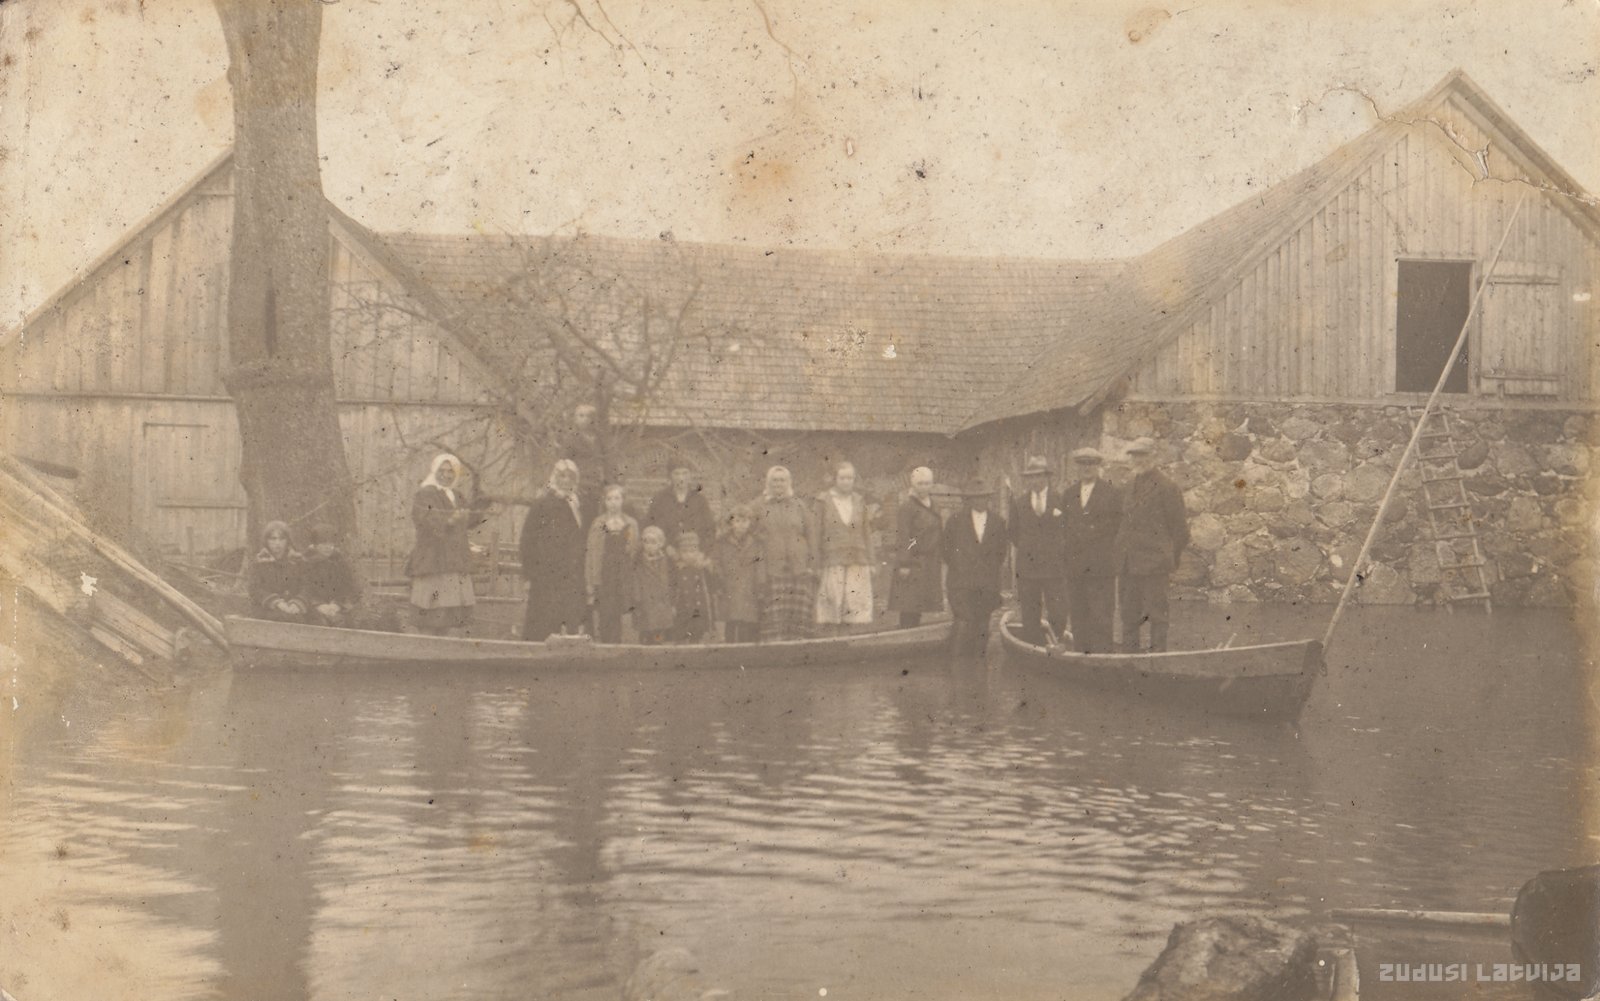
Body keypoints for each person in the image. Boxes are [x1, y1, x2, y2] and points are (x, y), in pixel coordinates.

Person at [1114, 437, 1190, 653]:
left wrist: (1167, 558)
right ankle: (1129, 660)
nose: (1138, 460)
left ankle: (1158, 659)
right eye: (1134, 455)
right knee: (1129, 615)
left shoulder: (1167, 487)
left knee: (1157, 615)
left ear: (1154, 456)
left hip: (1155, 564)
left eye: (1143, 455)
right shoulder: (1128, 486)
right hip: (1128, 564)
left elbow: (1180, 531)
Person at [408, 454, 490, 636]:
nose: (446, 475)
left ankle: (443, 647)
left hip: (454, 560)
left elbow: (468, 522)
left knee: (449, 616)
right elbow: (425, 520)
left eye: (450, 471)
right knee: (431, 612)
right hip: (433, 560)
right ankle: (427, 647)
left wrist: (479, 509)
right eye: (442, 471)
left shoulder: (457, 495)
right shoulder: (425, 494)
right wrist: (450, 520)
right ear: (434, 471)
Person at [1060, 447, 1122, 654]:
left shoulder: (1111, 493)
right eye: (1082, 464)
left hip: (1100, 567)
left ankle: (1102, 659)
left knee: (1101, 615)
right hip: (1075, 567)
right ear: (1077, 467)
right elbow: (1063, 528)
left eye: (1091, 464)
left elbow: (1115, 527)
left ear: (1098, 466)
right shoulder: (1068, 495)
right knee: (1078, 614)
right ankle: (1081, 656)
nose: (1086, 468)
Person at [520, 458, 589, 641]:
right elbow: (527, 541)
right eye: (562, 476)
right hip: (546, 573)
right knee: (544, 618)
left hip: (571, 572)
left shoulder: (577, 504)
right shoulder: (542, 504)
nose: (566, 481)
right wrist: (529, 573)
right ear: (555, 478)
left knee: (569, 618)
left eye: (570, 477)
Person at [1007, 455, 1069, 646]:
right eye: (1031, 477)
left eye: (1039, 476)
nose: (1035, 480)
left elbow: (1068, 530)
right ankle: (1033, 647)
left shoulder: (1061, 500)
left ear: (1047, 477)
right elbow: (1013, 532)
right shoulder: (1019, 503)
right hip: (1028, 567)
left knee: (1057, 609)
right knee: (1030, 610)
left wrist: (1056, 550)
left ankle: (1056, 642)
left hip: (1054, 567)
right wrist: (1029, 548)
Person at [942, 478, 1008, 655]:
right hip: (961, 582)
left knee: (983, 623)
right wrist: (961, 566)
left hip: (987, 583)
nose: (980, 501)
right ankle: (957, 662)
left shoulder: (998, 522)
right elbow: (946, 550)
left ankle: (979, 661)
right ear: (969, 500)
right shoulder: (955, 521)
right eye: (975, 497)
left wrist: (987, 569)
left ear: (989, 498)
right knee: (963, 621)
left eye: (983, 497)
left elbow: (1001, 552)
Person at [752, 466, 816, 642]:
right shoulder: (759, 505)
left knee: (798, 612)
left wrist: (811, 564)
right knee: (776, 612)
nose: (778, 484)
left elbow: (811, 535)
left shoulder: (799, 505)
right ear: (768, 483)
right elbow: (749, 529)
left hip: (799, 568)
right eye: (775, 480)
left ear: (788, 483)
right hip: (773, 568)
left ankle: (799, 647)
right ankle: (777, 646)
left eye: (782, 480)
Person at [813, 461, 876, 634]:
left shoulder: (859, 500)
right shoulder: (823, 500)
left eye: (850, 478)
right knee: (832, 599)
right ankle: (831, 639)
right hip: (832, 558)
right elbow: (816, 533)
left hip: (857, 557)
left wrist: (871, 561)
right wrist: (816, 563)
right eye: (842, 478)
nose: (846, 482)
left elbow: (866, 532)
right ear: (835, 479)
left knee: (853, 602)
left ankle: (847, 638)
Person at [886, 466, 945, 628]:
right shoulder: (907, 507)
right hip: (913, 560)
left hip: (930, 560)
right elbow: (904, 536)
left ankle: (915, 632)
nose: (924, 487)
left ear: (932, 484)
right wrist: (904, 563)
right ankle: (906, 631)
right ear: (913, 485)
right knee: (909, 602)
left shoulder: (935, 505)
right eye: (920, 483)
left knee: (921, 601)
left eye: (927, 483)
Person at [585, 483, 639, 643]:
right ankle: (606, 644)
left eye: (617, 498)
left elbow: (634, 550)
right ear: (604, 502)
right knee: (605, 612)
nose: (613, 503)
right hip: (605, 574)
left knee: (621, 611)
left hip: (623, 574)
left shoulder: (631, 523)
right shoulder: (598, 524)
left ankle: (619, 646)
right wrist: (590, 580)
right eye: (609, 499)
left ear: (623, 500)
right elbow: (591, 553)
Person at [713, 503, 763, 643]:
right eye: (738, 521)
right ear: (731, 523)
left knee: (748, 621)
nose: (741, 525)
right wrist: (719, 579)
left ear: (750, 523)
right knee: (731, 620)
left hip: (749, 586)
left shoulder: (756, 543)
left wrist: (760, 584)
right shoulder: (722, 542)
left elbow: (760, 565)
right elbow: (716, 562)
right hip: (729, 586)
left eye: (745, 521)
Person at [646, 460, 717, 556]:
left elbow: (710, 529)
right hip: (666, 554)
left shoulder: (700, 500)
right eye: (676, 474)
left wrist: (701, 552)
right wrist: (665, 546)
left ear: (690, 475)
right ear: (670, 476)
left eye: (685, 473)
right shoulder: (659, 499)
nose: (681, 478)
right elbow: (650, 526)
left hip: (694, 554)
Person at [301, 523, 362, 627]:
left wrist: (337, 604)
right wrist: (318, 605)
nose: (328, 547)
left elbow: (349, 588)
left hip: (336, 608)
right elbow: (303, 589)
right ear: (315, 545)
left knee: (348, 622)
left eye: (331, 543)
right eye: (323, 543)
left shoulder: (340, 562)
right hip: (313, 608)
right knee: (320, 623)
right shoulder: (305, 563)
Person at [248, 520, 308, 622]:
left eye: (282, 539)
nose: (277, 543)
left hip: (293, 608)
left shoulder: (297, 562)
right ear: (266, 541)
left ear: (287, 541)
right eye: (273, 539)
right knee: (281, 618)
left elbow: (306, 586)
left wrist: (297, 603)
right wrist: (276, 602)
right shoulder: (260, 562)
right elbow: (255, 589)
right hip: (267, 609)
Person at [629, 526, 675, 645]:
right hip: (645, 600)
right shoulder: (639, 561)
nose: (649, 545)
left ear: (660, 544)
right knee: (646, 625)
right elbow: (635, 581)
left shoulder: (665, 560)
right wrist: (637, 599)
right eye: (646, 542)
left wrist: (670, 597)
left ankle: (658, 644)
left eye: (653, 542)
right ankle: (645, 643)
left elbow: (670, 580)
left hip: (661, 599)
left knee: (659, 627)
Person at [670, 530, 715, 643]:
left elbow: (710, 587)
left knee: (696, 633)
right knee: (680, 634)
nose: (689, 555)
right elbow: (673, 588)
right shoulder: (678, 569)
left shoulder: (701, 569)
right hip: (682, 609)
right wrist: (672, 605)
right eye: (685, 552)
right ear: (679, 553)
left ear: (698, 551)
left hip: (698, 609)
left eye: (692, 551)